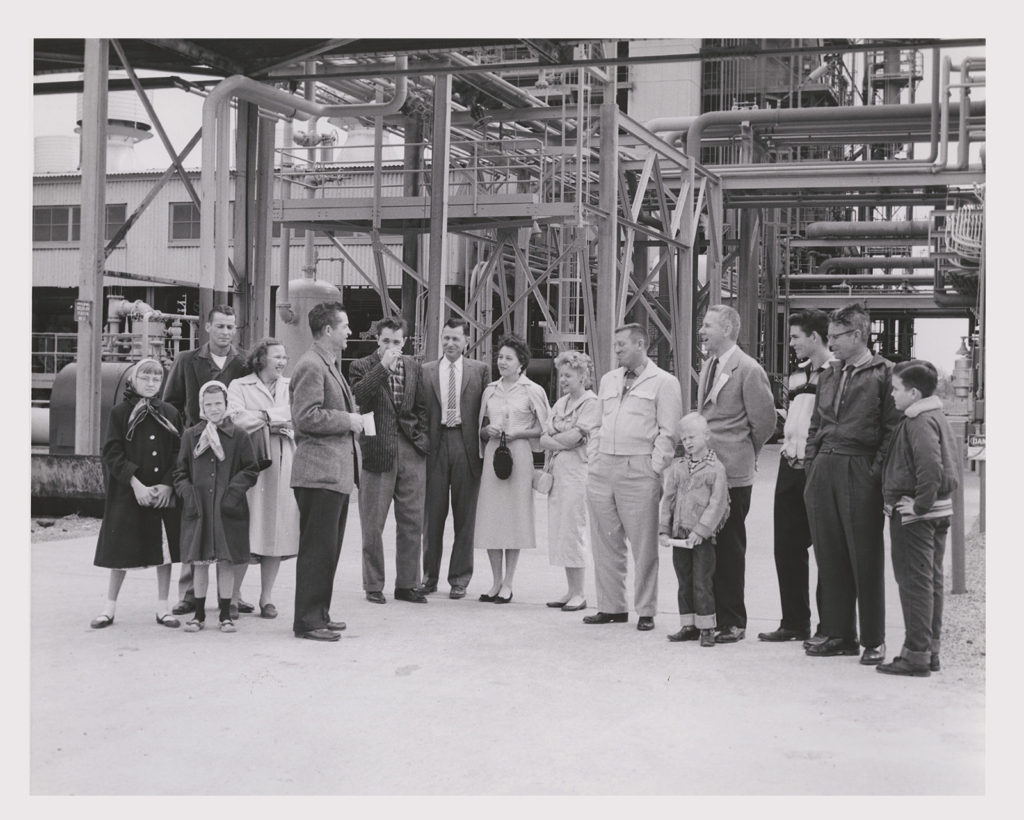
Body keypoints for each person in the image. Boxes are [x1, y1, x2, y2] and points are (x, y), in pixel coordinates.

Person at [803, 303, 900, 666]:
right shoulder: (829, 374)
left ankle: (874, 638)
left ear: (858, 335)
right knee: (829, 555)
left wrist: (874, 473)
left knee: (865, 556)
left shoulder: (884, 373)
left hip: (860, 467)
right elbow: (817, 424)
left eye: (836, 337)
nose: (831, 343)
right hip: (825, 466)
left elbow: (891, 430)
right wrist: (813, 466)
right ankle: (839, 633)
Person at [585, 323, 682, 631]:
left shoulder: (664, 382)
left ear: (640, 345)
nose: (616, 350)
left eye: (622, 345)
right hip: (604, 468)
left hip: (639, 468)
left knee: (643, 545)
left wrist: (654, 468)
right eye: (615, 345)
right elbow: (598, 423)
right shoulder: (608, 380)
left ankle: (646, 610)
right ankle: (611, 607)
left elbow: (669, 431)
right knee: (605, 542)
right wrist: (595, 457)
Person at [162, 305, 251, 618]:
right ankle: (189, 593)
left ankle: (233, 596)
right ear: (208, 328)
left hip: (228, 456)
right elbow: (170, 405)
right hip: (196, 454)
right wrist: (183, 444)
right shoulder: (187, 360)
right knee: (194, 523)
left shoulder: (244, 362)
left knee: (228, 526)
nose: (226, 332)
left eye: (231, 327)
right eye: (221, 326)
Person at [696, 304, 777, 644]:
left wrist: (744, 451)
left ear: (727, 329)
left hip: (733, 472)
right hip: (708, 469)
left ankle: (733, 621)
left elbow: (765, 422)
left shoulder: (747, 368)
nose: (701, 331)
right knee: (708, 545)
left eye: (707, 325)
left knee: (729, 546)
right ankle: (709, 618)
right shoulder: (710, 365)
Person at [877, 360, 959, 678]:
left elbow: (930, 465)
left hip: (918, 518)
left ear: (913, 393)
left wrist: (919, 506)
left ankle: (916, 655)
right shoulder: (934, 414)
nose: (892, 395)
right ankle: (928, 650)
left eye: (896, 389)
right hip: (939, 513)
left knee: (914, 584)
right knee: (930, 583)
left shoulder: (918, 420)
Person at [289, 302, 363, 642]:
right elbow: (306, 416)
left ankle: (319, 612)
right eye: (345, 325)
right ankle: (307, 621)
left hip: (333, 474)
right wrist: (348, 420)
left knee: (327, 549)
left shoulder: (327, 364)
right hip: (318, 473)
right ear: (329, 330)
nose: (350, 331)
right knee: (318, 549)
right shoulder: (311, 366)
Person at [758, 309, 834, 644]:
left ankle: (828, 625)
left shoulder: (837, 373)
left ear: (815, 337)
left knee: (826, 549)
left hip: (818, 469)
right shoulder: (796, 376)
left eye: (795, 337)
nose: (791, 344)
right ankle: (794, 621)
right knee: (786, 548)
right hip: (790, 466)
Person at [90, 358, 183, 629]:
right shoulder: (120, 412)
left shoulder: (169, 412)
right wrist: (136, 484)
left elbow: (179, 452)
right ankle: (109, 607)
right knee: (122, 550)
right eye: (146, 377)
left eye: (156, 379)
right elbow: (112, 451)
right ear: (133, 380)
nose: (151, 383)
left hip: (161, 494)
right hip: (130, 492)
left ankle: (163, 607)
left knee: (163, 550)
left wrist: (168, 484)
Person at [348, 317, 430, 605]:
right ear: (377, 341)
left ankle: (407, 584)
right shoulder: (361, 366)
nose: (391, 347)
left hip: (410, 448)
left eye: (396, 342)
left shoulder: (413, 367)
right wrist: (382, 367)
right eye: (386, 341)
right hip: (377, 449)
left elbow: (421, 406)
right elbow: (360, 395)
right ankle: (373, 584)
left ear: (404, 342)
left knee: (412, 521)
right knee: (373, 523)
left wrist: (421, 440)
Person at [173, 381, 260, 633]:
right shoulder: (191, 436)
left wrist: (233, 493)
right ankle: (198, 615)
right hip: (199, 509)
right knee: (199, 562)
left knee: (226, 561)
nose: (213, 409)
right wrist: (188, 495)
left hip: (227, 509)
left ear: (226, 405)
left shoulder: (239, 435)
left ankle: (225, 614)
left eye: (218, 404)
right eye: (208, 404)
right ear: (201, 406)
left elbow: (250, 469)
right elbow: (180, 472)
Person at [226, 338, 299, 620]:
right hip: (251, 463)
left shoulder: (290, 386)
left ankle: (266, 598)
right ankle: (233, 595)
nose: (282, 362)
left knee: (276, 531)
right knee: (247, 528)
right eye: (276, 357)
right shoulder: (240, 386)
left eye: (284, 357)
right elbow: (235, 420)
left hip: (282, 462)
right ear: (261, 359)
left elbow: (295, 416)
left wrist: (261, 417)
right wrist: (273, 419)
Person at [418, 318, 491, 599]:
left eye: (455, 339)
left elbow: (486, 411)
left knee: (465, 517)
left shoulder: (480, 371)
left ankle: (459, 578)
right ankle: (429, 576)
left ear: (466, 342)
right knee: (432, 516)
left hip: (466, 444)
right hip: (435, 447)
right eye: (446, 338)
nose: (450, 343)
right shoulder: (426, 371)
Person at [474, 335, 550, 604]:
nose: (502, 362)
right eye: (500, 357)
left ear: (521, 364)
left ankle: (509, 582)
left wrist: (519, 433)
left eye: (508, 358)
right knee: (492, 518)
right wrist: (487, 430)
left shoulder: (533, 390)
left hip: (518, 455)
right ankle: (495, 581)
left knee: (514, 517)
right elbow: (480, 428)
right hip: (495, 453)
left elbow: (544, 428)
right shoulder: (490, 390)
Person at [659, 413, 730, 648]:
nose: (687, 441)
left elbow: (717, 503)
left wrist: (701, 530)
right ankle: (688, 624)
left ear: (706, 436)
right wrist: (664, 530)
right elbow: (668, 499)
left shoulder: (715, 469)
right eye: (684, 438)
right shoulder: (678, 468)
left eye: (692, 436)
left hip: (702, 538)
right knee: (684, 580)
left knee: (702, 581)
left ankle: (707, 627)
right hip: (679, 535)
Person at [539, 350, 600, 612]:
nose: (563, 379)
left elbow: (576, 438)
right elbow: (543, 437)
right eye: (561, 374)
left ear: (583, 376)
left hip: (577, 473)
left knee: (574, 528)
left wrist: (557, 438)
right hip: (558, 473)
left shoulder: (591, 403)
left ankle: (579, 592)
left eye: (568, 375)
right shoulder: (560, 403)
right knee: (561, 529)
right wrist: (561, 438)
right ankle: (570, 589)